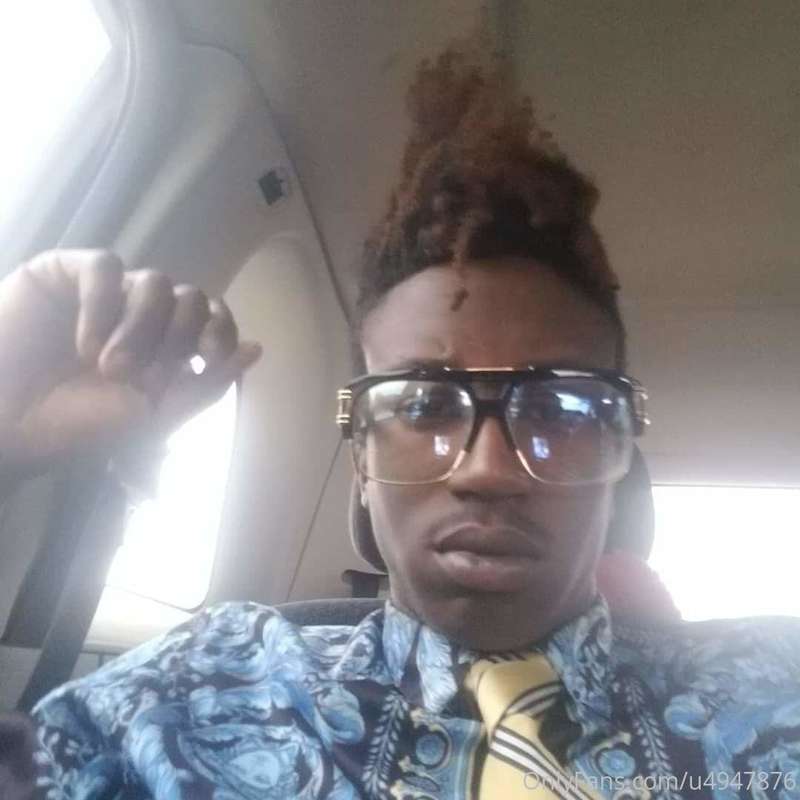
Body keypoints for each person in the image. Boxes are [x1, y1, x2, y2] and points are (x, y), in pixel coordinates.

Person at [2, 42, 798, 800]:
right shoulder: (179, 699)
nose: (488, 469)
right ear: (360, 456)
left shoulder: (777, 693)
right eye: (422, 404)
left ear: (619, 452)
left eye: (558, 407)